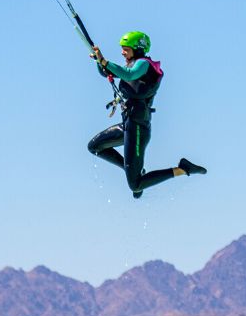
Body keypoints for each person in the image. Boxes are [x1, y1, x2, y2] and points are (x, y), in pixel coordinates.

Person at [87, 31, 207, 199]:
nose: (122, 52)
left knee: (136, 186)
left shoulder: (143, 64)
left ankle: (183, 169)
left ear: (138, 49)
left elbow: (128, 75)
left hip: (138, 128)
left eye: (126, 49)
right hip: (128, 125)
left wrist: (104, 61)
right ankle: (133, 169)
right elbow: (106, 71)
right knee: (94, 147)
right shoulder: (130, 65)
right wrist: (98, 61)